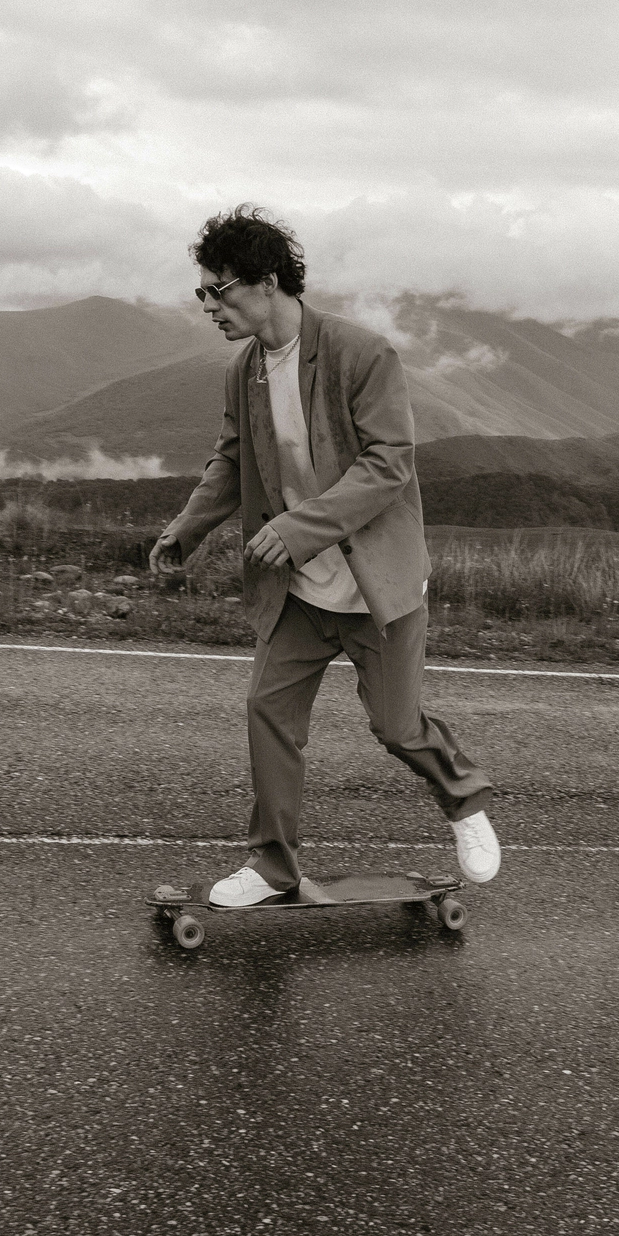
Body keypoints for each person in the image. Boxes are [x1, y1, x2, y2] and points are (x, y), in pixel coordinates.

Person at [150, 206, 500, 905]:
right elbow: (231, 461)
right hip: (299, 588)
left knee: (397, 726)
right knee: (268, 712)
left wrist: (301, 527)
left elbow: (388, 464)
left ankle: (463, 799)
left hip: (375, 584)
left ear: (267, 281)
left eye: (219, 289)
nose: (209, 306)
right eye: (203, 292)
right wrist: (187, 528)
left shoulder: (361, 354)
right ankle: (272, 865)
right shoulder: (243, 372)